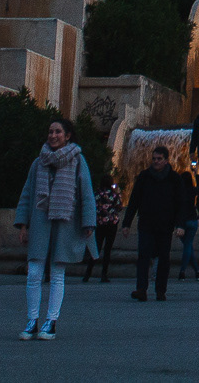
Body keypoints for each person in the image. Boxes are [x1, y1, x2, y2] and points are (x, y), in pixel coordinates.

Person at [12, 118, 97, 341]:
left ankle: (51, 321)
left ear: (68, 135)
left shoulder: (78, 160)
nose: (53, 135)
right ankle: (32, 320)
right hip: (40, 221)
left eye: (58, 132)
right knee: (34, 273)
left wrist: (89, 222)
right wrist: (23, 224)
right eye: (50, 131)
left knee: (58, 274)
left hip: (65, 221)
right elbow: (27, 194)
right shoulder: (38, 162)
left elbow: (86, 193)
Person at [122, 145, 192, 302]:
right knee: (143, 255)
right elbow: (134, 201)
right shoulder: (144, 176)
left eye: (159, 159)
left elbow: (182, 203)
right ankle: (141, 289)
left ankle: (161, 290)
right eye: (154, 159)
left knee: (164, 257)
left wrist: (180, 225)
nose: (156, 161)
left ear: (166, 160)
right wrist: (126, 223)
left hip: (165, 224)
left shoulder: (174, 179)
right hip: (146, 222)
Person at [83, 176, 123, 284]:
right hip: (112, 223)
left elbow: (92, 207)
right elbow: (119, 206)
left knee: (96, 248)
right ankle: (104, 275)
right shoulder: (114, 194)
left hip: (100, 223)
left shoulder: (96, 194)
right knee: (108, 249)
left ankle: (87, 274)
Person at [175, 163, 199, 281]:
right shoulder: (192, 190)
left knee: (187, 246)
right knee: (188, 246)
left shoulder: (179, 193)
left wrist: (179, 224)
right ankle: (197, 272)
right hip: (192, 221)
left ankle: (183, 271)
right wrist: (197, 174)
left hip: (181, 222)